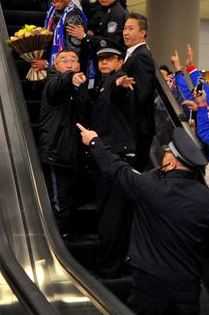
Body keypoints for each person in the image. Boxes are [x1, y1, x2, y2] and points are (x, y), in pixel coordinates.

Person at [78, 124, 209, 315]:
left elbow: (117, 169)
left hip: (149, 288)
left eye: (167, 154)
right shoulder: (207, 199)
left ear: (171, 164)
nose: (163, 156)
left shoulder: (150, 186)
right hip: (188, 288)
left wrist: (94, 142)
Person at [88, 39, 137, 277]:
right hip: (104, 156)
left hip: (115, 157)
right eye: (100, 59)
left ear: (120, 62)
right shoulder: (101, 83)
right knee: (108, 213)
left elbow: (120, 92)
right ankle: (111, 264)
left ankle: (110, 268)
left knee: (113, 215)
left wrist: (119, 83)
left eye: (109, 58)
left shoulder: (119, 82)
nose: (104, 62)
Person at [38, 50, 88, 235]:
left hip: (75, 155)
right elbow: (59, 83)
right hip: (56, 155)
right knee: (59, 204)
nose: (68, 63)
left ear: (79, 65)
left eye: (73, 60)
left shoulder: (81, 88)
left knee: (72, 201)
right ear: (55, 65)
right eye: (63, 60)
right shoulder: (52, 84)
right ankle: (58, 242)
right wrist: (70, 78)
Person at [26, 0, 86, 70]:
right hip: (50, 65)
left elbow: (72, 57)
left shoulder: (74, 18)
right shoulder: (52, 8)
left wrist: (46, 65)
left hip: (62, 75)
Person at [121, 13, 158, 171]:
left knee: (132, 172)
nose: (125, 32)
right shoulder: (133, 53)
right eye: (124, 28)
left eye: (130, 29)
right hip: (135, 126)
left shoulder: (141, 56)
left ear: (143, 33)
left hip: (137, 128)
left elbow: (141, 94)